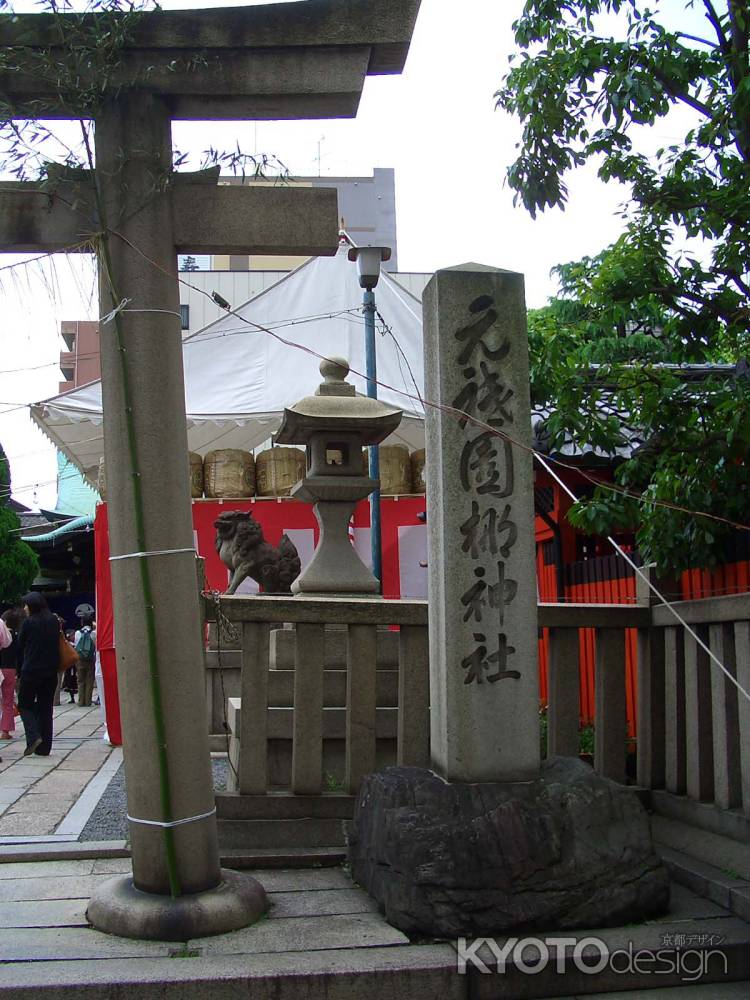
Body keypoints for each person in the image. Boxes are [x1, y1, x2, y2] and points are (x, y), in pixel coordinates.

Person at [17, 592, 60, 757]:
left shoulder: (28, 623)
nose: (25, 608)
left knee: (24, 705)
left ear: (32, 605)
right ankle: (45, 748)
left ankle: (34, 736)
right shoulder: (53, 621)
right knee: (45, 708)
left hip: (31, 670)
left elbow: (20, 647)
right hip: (50, 671)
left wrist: (18, 671)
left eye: (26, 605)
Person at [0, 607, 22, 741]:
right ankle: (5, 731)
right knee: (8, 701)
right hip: (9, 669)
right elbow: (19, 656)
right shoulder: (16, 637)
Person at [74, 614, 96, 707]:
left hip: (80, 659)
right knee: (89, 680)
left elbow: (76, 645)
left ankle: (80, 701)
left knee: (80, 680)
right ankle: (88, 701)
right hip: (90, 659)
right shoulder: (93, 633)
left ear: (82, 622)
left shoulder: (77, 633)